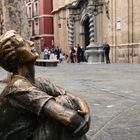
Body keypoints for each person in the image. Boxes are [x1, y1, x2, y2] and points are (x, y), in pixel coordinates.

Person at [0, 30, 90, 140]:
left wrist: (85, 111)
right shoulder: (18, 88)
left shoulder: (39, 81)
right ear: (13, 56)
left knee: (65, 101)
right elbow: (67, 117)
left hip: (33, 132)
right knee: (62, 107)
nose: (31, 43)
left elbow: (73, 97)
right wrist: (83, 119)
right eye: (23, 43)